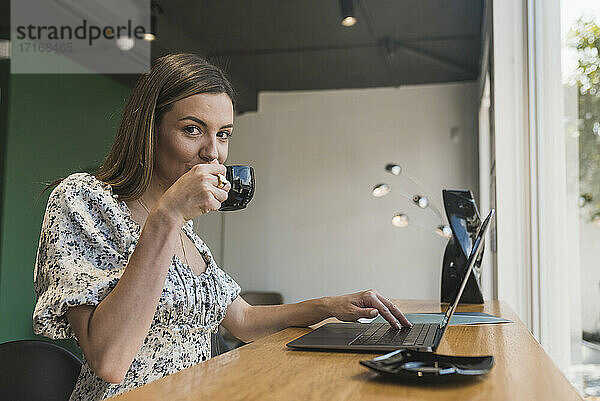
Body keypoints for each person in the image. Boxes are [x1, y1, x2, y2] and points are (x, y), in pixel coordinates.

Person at [32, 53, 411, 401]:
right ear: (149, 129)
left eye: (224, 134)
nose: (213, 152)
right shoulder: (83, 199)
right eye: (193, 129)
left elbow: (243, 320)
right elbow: (109, 361)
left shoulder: (186, 229)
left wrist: (329, 306)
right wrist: (167, 218)